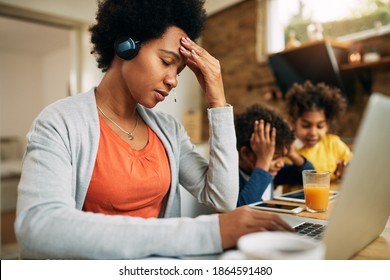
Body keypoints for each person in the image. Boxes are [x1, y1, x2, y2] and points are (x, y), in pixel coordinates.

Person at [14, 0, 293, 260]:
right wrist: (207, 232)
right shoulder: (59, 122)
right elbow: (38, 227)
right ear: (126, 46)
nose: (173, 81)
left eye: (179, 71)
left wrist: (217, 99)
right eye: (166, 62)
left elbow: (223, 197)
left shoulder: (168, 130)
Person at [235, 104, 314, 206]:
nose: (280, 164)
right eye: (273, 157)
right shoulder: (233, 179)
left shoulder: (272, 170)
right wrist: (263, 163)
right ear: (246, 154)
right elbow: (245, 206)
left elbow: (310, 176)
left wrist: (291, 153)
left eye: (283, 156)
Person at [284, 80, 353, 182]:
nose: (313, 133)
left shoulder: (334, 144)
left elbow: (355, 168)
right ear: (293, 122)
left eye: (320, 126)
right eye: (306, 125)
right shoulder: (288, 150)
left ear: (327, 125)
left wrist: (347, 173)